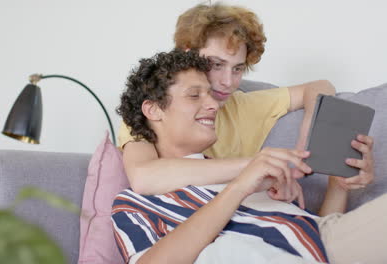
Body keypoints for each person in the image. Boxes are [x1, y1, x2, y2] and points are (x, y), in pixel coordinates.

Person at [112, 49, 384, 264]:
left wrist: (339, 183)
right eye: (195, 95)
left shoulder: (251, 172)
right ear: (153, 110)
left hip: (331, 242)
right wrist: (239, 188)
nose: (212, 105)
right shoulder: (134, 203)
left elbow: (319, 232)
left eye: (210, 94)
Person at [116, 3, 374, 206]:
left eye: (238, 68)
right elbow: (144, 177)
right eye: (216, 65)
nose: (227, 82)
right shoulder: (157, 111)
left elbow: (320, 86)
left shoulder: (244, 105)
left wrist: (311, 126)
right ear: (187, 55)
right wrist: (257, 167)